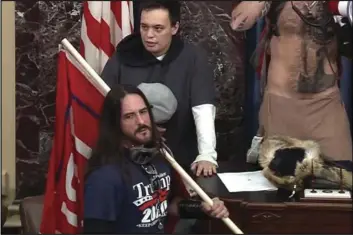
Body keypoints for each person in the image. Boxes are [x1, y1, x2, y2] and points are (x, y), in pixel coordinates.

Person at [83, 84, 229, 234]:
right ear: (115, 123)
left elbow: (169, 203)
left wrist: (202, 209)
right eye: (129, 116)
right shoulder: (104, 177)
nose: (141, 121)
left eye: (143, 112)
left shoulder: (159, 156)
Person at [101, 0, 218, 176]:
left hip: (178, 158)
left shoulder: (192, 58)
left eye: (158, 28)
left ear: (174, 28)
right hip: (129, 159)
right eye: (144, 27)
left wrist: (207, 154)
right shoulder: (124, 55)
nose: (149, 35)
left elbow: (203, 108)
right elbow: (105, 104)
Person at [230, 1, 353, 164]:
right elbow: (237, 24)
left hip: (326, 109)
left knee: (341, 178)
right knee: (280, 183)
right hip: (281, 109)